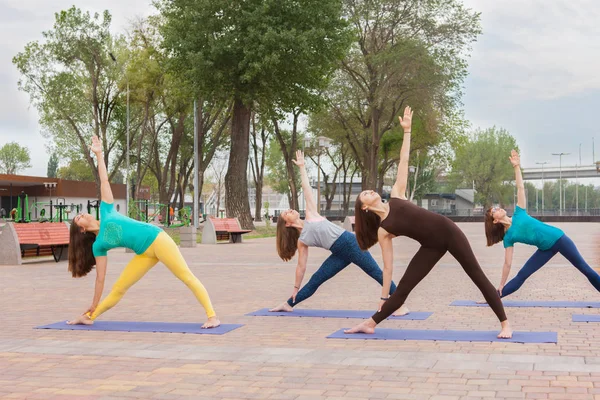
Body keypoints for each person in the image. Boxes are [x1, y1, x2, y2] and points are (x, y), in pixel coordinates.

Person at [345, 106, 513, 339]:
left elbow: (404, 160)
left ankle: (505, 324)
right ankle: (371, 323)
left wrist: (407, 132)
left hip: (449, 232)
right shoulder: (384, 230)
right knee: (404, 287)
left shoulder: (397, 194)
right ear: (364, 207)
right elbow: (387, 267)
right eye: (365, 194)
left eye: (369, 190)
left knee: (476, 275)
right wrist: (384, 296)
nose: (369, 191)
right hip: (430, 246)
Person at [66, 135, 220, 329]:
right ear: (80, 230)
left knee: (186, 276)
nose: (81, 214)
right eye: (77, 218)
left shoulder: (106, 211)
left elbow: (104, 181)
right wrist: (93, 305)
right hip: (144, 253)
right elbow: (100, 278)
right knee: (119, 288)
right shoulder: (98, 245)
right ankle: (89, 316)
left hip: (157, 239)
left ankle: (212, 316)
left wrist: (99, 155)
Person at [270, 150, 409, 316]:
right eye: (287, 213)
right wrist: (295, 287)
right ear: (287, 224)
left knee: (376, 273)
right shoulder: (302, 240)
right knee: (317, 279)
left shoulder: (311, 215)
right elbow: (301, 267)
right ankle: (289, 303)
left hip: (351, 243)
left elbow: (306, 189)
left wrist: (302, 167)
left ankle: (400, 305)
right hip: (339, 252)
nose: (291, 210)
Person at [484, 150, 600, 298]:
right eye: (494, 210)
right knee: (522, 275)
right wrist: (501, 284)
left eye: (496, 207)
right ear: (495, 220)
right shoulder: (508, 238)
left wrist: (516, 166)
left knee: (585, 269)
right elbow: (507, 264)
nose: (497, 208)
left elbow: (520, 187)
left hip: (559, 239)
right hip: (545, 248)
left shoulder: (519, 213)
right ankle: (494, 298)